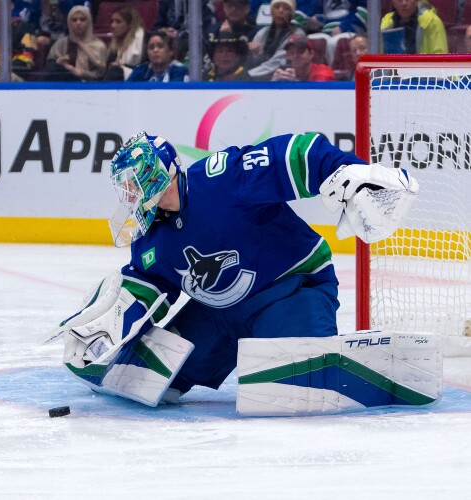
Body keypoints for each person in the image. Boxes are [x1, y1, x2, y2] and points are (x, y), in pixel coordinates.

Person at [46, 131, 420, 409]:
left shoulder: (221, 180)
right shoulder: (150, 237)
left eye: (132, 184)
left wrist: (343, 167)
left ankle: (369, 367)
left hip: (288, 290)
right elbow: (148, 285)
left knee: (296, 386)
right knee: (149, 376)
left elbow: (290, 154)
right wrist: (107, 328)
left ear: (154, 175)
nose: (129, 195)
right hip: (217, 313)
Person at [45, 5, 107, 81]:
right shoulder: (60, 44)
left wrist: (82, 73)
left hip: (90, 86)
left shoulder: (99, 46)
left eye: (82, 19)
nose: (78, 23)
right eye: (74, 20)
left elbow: (101, 74)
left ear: (89, 22)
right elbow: (49, 69)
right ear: (69, 22)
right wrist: (59, 65)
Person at [248, 0, 304, 80]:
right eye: (277, 7)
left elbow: (277, 62)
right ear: (271, 12)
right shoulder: (263, 32)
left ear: (291, 14)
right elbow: (253, 60)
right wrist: (253, 53)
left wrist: (248, 74)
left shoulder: (297, 34)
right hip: (258, 77)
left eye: (286, 8)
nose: (280, 11)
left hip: (285, 77)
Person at [380, 0, 448, 54]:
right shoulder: (386, 24)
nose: (404, 3)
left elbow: (440, 59)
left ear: (417, 1)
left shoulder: (432, 22)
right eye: (399, 0)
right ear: (393, 3)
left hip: (423, 67)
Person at [103, 4, 145, 81]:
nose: (113, 25)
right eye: (112, 21)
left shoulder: (144, 41)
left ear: (130, 24)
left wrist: (122, 66)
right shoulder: (114, 46)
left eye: (118, 22)